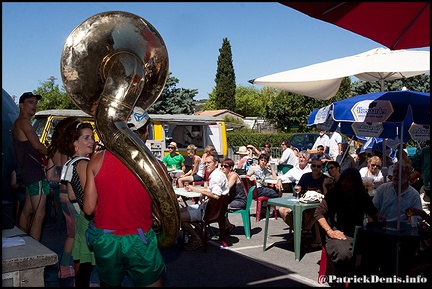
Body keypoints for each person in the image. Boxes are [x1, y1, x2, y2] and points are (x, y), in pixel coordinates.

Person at [84, 131, 166, 287]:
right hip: (139, 238)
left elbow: (88, 208)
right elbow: (163, 211)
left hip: (106, 238)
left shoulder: (96, 159)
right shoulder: (155, 165)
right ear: (146, 130)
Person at [314, 168, 385, 279]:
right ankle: (341, 279)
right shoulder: (334, 194)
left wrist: (379, 218)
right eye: (343, 180)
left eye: (348, 181)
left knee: (377, 247)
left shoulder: (361, 195)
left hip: (356, 233)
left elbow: (373, 212)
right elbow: (318, 213)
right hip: (337, 233)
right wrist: (330, 231)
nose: (344, 184)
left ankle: (363, 276)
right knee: (344, 253)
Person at [58, 120, 96, 286]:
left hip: (81, 218)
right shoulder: (84, 163)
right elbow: (87, 198)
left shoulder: (71, 162)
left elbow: (72, 194)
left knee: (82, 258)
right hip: (89, 219)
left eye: (92, 137)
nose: (91, 141)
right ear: (75, 143)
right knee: (89, 262)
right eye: (86, 138)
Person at [12, 92, 50, 241]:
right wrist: (52, 152)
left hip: (27, 173)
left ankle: (22, 241)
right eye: (30, 102)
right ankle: (35, 248)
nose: (34, 105)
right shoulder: (24, 122)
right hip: (34, 174)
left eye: (35, 102)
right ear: (21, 105)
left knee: (27, 210)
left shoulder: (17, 123)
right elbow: (37, 146)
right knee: (39, 214)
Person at [45, 116, 78, 279]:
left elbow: (50, 176)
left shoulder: (54, 151)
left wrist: (62, 179)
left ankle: (64, 267)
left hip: (62, 196)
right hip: (74, 198)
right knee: (82, 235)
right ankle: (81, 275)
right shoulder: (71, 150)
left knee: (71, 234)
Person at [181, 154, 230, 251]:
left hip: (209, 212)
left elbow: (216, 195)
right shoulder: (218, 174)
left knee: (178, 217)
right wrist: (203, 193)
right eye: (205, 163)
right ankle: (203, 232)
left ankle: (196, 238)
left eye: (209, 163)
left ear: (216, 164)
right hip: (211, 209)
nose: (206, 165)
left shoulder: (216, 177)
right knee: (180, 210)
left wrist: (197, 190)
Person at [281, 159, 329, 248]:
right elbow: (298, 189)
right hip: (304, 203)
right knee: (282, 210)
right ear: (311, 167)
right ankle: (300, 232)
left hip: (317, 207)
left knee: (314, 211)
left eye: (318, 166)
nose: (316, 168)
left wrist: (323, 186)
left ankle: (308, 232)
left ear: (322, 168)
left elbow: (327, 197)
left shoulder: (324, 179)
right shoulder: (305, 176)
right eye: (314, 166)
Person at [220, 158, 247, 232]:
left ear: (231, 168)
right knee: (217, 205)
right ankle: (228, 225)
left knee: (222, 207)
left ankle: (226, 226)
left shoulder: (233, 175)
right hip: (231, 199)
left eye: (225, 166)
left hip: (240, 200)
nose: (223, 167)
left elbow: (226, 188)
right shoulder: (224, 175)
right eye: (221, 165)